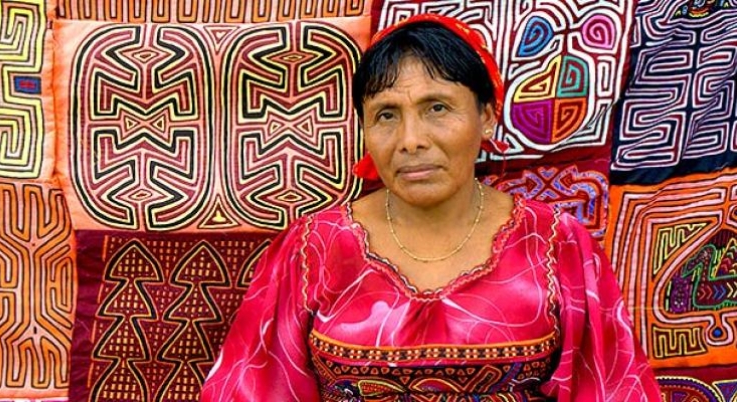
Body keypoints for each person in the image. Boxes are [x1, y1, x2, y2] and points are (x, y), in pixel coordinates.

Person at [200, 14, 662, 401]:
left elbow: (609, 385)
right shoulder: (313, 249)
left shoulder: (553, 242)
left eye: (437, 108)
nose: (411, 140)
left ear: (486, 115)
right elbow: (254, 385)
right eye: (386, 115)